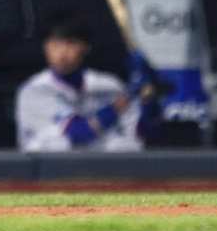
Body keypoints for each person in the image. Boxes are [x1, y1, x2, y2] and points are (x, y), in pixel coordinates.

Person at [15, 13, 161, 152]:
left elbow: (147, 133)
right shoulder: (34, 91)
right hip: (46, 167)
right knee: (64, 145)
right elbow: (77, 133)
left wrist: (148, 98)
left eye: (70, 44)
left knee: (119, 145)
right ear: (45, 47)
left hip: (101, 167)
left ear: (86, 47)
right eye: (55, 44)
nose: (62, 53)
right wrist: (122, 102)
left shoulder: (109, 85)